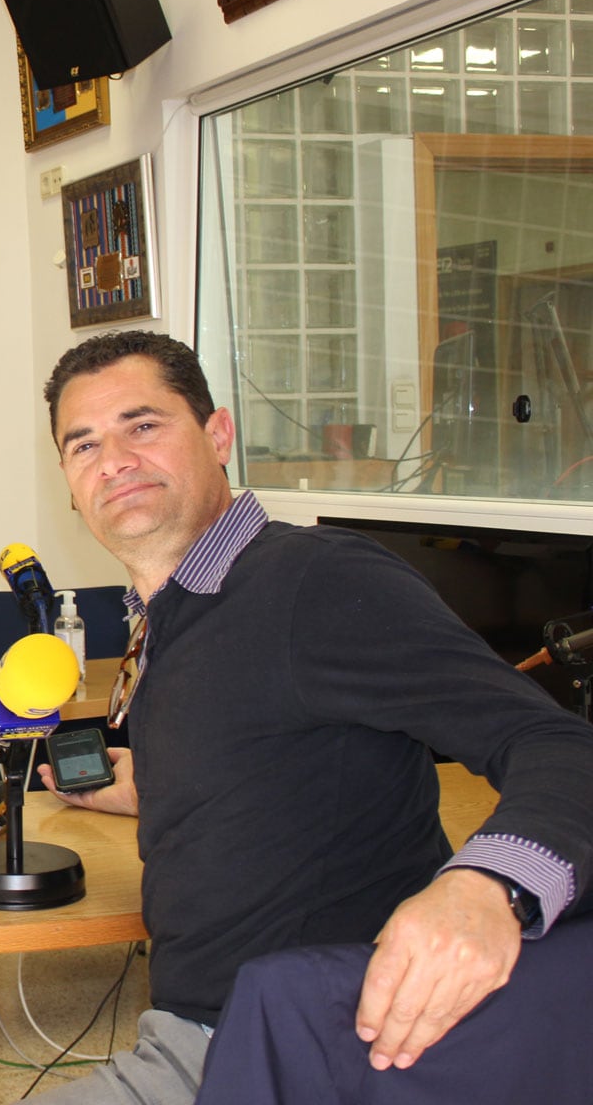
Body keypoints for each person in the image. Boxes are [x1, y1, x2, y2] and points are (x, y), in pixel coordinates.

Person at [30, 331, 593, 1104]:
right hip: (208, 1024)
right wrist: (157, 783)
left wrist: (488, 886)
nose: (114, 460)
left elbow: (559, 743)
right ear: (69, 483)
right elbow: (276, 746)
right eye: (83, 444)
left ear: (219, 434)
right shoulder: (177, 611)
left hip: (296, 1046)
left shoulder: (315, 584)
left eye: (144, 425)